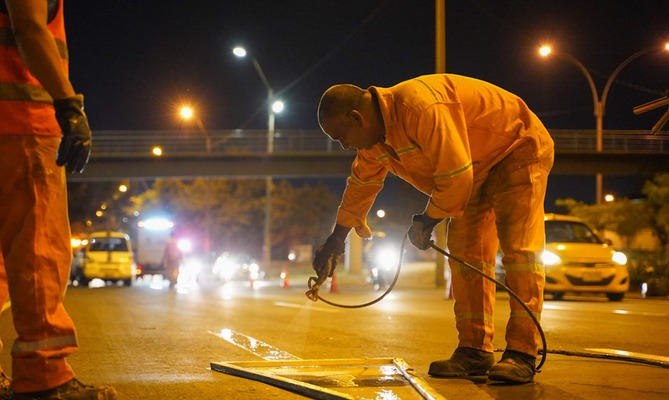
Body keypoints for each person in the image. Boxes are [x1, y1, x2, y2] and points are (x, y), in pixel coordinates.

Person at [313, 74, 554, 384]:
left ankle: (522, 352)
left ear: (357, 117)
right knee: (466, 254)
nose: (345, 146)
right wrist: (336, 239)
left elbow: (455, 177)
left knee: (519, 249)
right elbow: (361, 185)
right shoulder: (375, 142)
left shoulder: (418, 106)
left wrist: (428, 220)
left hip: (517, 146)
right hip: (475, 166)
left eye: (342, 137)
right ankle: (474, 350)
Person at [0, 0, 117, 398]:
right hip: (22, 123)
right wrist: (69, 105)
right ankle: (43, 378)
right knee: (38, 251)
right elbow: (30, 29)